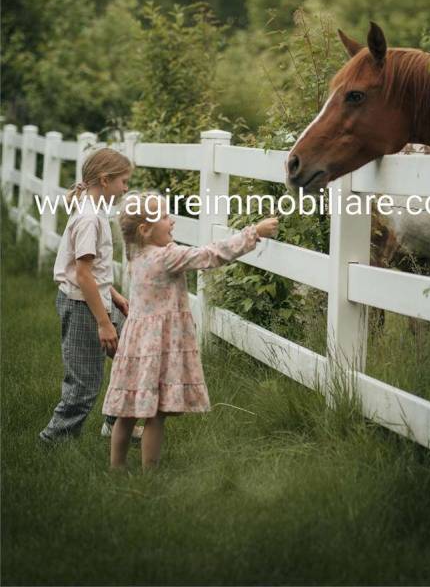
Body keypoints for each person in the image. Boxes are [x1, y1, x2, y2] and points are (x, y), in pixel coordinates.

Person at [103, 191, 279, 469]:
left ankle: (117, 467)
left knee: (127, 412)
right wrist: (253, 232)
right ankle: (150, 473)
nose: (171, 221)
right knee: (155, 414)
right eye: (163, 216)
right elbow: (211, 255)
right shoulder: (165, 257)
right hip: (160, 346)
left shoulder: (134, 254)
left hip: (136, 345)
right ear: (145, 230)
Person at [39, 147, 142, 444]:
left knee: (132, 354)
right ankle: (54, 440)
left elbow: (91, 269)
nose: (126, 188)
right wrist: (104, 323)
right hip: (83, 306)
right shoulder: (88, 218)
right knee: (84, 384)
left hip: (97, 300)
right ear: (105, 180)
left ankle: (115, 422)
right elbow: (82, 275)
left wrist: (116, 297)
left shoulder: (94, 211)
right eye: (123, 181)